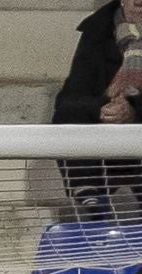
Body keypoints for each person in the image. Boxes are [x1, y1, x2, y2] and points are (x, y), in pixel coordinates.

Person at [52, 0, 142, 217]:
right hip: (104, 135)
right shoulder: (97, 31)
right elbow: (70, 99)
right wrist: (101, 109)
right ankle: (89, 194)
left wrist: (133, 112)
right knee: (68, 113)